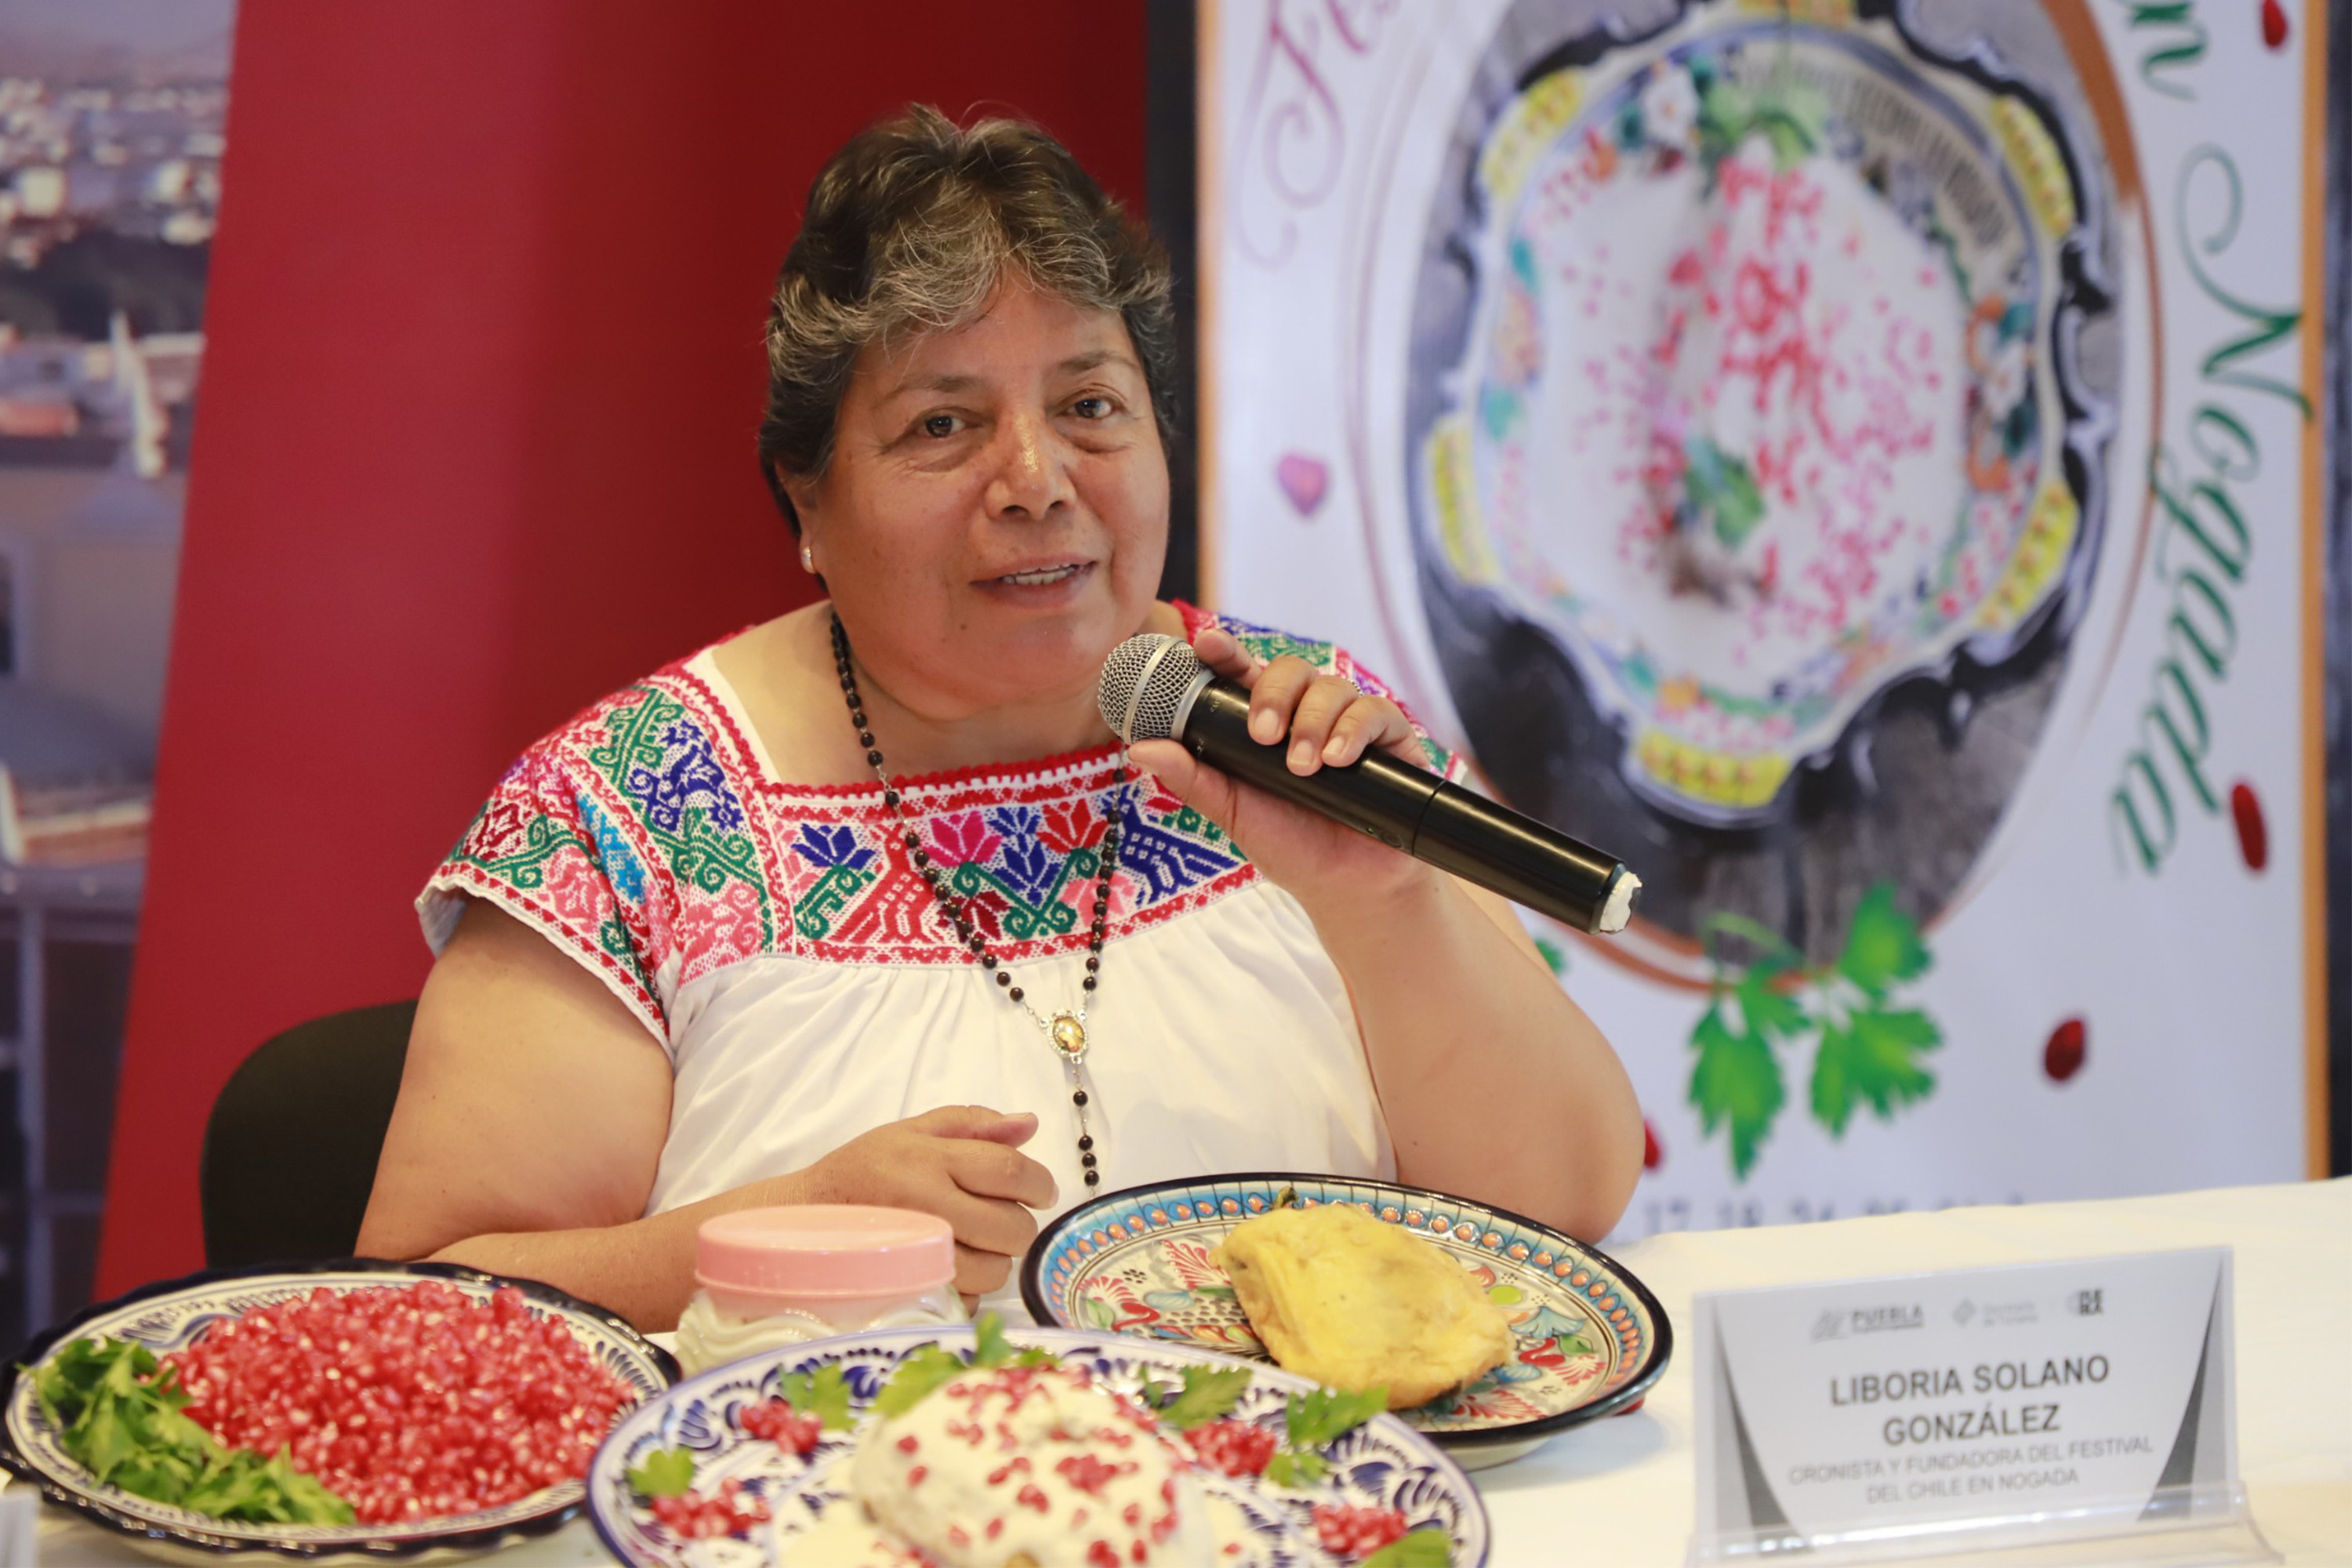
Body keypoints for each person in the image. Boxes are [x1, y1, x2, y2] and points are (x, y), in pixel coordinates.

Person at [357, 106, 1641, 1330]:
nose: (1035, 484)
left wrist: (1383, 901)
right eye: (943, 424)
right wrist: (782, 1229)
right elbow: (424, 1300)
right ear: (805, 500)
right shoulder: (630, 807)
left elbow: (1566, 1204)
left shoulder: (1299, 729)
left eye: (1089, 408)